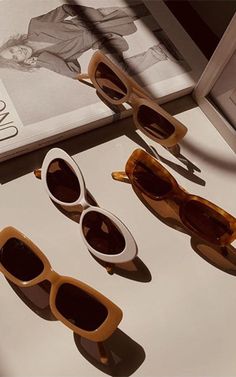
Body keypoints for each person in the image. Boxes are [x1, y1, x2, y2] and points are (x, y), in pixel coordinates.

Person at [0, 3, 181, 79]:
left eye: (13, 50)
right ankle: (160, 51)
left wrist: (92, 14)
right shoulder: (46, 59)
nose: (18, 52)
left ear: (14, 44)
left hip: (96, 19)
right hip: (100, 40)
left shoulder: (36, 25)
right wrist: (43, 60)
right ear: (22, 62)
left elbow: (65, 8)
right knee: (118, 72)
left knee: (146, 9)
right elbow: (74, 72)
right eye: (15, 57)